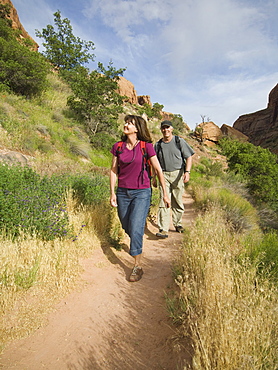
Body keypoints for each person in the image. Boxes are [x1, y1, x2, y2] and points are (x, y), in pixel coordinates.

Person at [110, 115, 170, 282]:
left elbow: (158, 170)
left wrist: (165, 193)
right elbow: (114, 170)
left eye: (130, 123)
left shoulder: (146, 147)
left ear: (137, 129)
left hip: (142, 192)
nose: (126, 125)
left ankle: (137, 266)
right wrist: (112, 192)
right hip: (123, 192)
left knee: (136, 228)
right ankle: (136, 237)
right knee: (126, 224)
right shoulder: (118, 147)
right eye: (126, 122)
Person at [153, 120, 195, 238]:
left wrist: (187, 172)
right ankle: (163, 229)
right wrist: (154, 177)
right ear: (161, 130)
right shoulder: (158, 145)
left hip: (178, 174)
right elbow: (154, 163)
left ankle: (178, 224)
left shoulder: (179, 141)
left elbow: (189, 157)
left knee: (177, 200)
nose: (165, 130)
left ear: (172, 129)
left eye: (168, 128)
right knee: (164, 200)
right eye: (163, 128)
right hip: (163, 175)